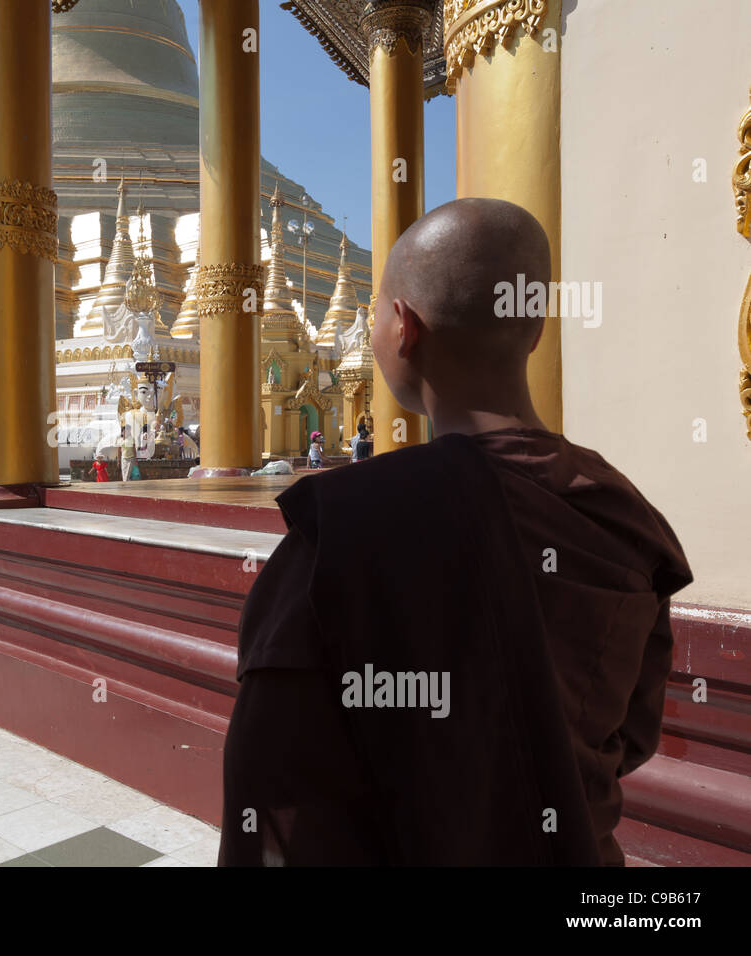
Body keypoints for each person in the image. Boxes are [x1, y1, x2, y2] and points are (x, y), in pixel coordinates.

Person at [219, 198, 692, 867]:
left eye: (379, 310)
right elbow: (630, 738)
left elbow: (270, 792)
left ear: (402, 327)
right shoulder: (623, 517)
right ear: (534, 333)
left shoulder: (345, 527)